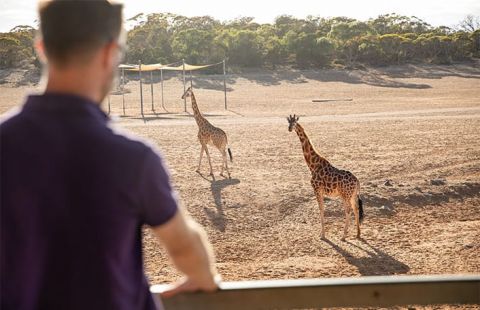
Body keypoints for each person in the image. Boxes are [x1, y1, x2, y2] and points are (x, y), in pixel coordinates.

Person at [0, 1, 219, 309]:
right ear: (108, 53)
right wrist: (204, 277)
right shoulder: (134, 159)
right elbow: (184, 247)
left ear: (42, 48)